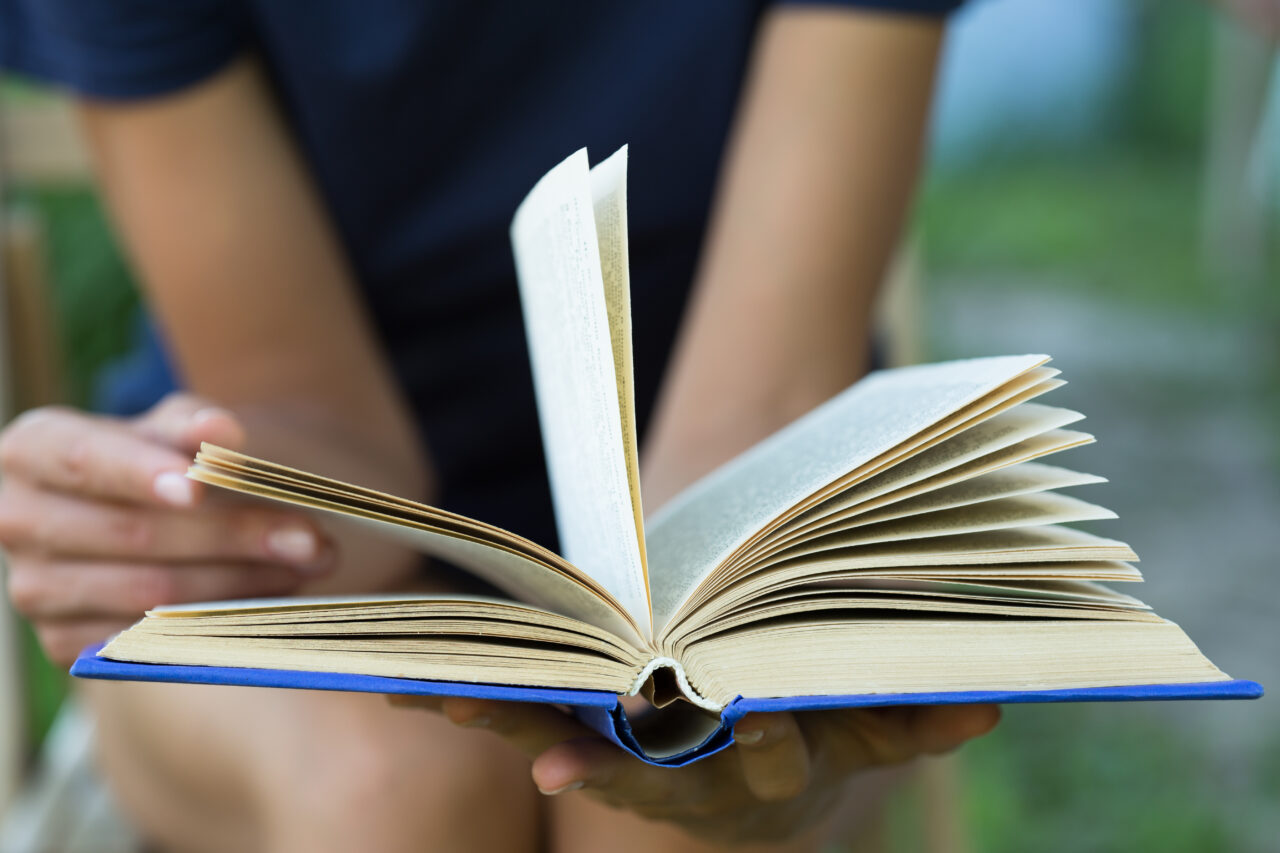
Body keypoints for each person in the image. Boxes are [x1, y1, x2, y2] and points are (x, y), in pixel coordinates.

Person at [0, 2, 1002, 850]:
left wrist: (682, 653)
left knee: (672, 778)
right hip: (318, 525)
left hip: (749, 487)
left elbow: (761, 408)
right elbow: (304, 413)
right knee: (389, 787)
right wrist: (196, 515)